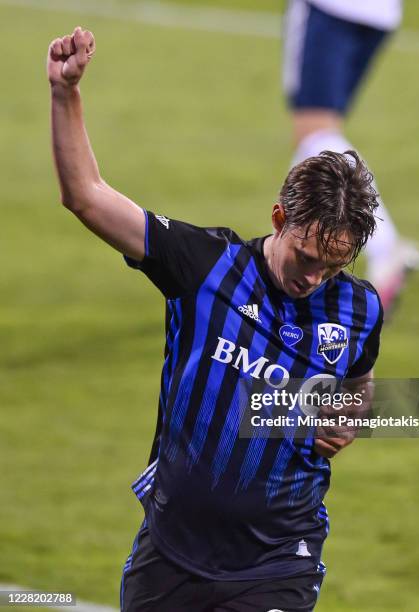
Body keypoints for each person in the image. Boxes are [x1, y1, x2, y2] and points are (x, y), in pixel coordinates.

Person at [47, 28, 383, 611]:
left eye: (333, 267)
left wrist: (351, 415)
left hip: (279, 560)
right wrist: (65, 93)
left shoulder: (358, 307)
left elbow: (360, 384)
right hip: (171, 553)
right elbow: (86, 196)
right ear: (279, 217)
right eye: (306, 257)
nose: (313, 279)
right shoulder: (203, 265)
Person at [283, 0, 419, 312]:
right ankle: (290, 252)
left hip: (332, 8)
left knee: (314, 130)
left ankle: (383, 245)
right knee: (319, 131)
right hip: (381, 14)